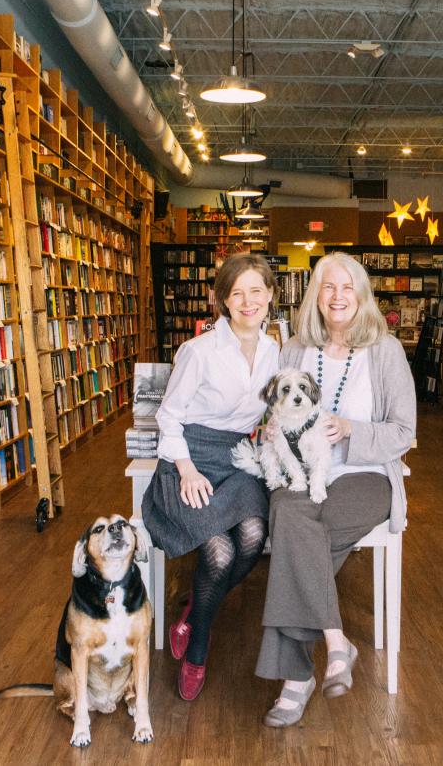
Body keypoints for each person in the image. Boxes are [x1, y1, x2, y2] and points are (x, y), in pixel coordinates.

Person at [257, 252, 416, 727]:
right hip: (303, 473)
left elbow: (404, 432)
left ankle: (295, 679)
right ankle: (335, 643)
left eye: (348, 287)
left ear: (362, 295)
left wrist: (351, 430)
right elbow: (272, 410)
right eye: (328, 287)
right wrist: (271, 431)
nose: (338, 296)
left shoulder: (385, 351)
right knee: (291, 518)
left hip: (366, 476)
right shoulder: (294, 350)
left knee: (293, 535)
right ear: (315, 296)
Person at [141, 252, 279, 701]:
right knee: (219, 553)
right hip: (191, 458)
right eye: (236, 292)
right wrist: (184, 470)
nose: (247, 301)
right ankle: (198, 647)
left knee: (254, 536)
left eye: (256, 291)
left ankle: (192, 615)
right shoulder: (198, 351)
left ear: (271, 297)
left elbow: (269, 411)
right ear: (222, 300)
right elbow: (169, 417)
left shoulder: (275, 350)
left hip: (238, 457)